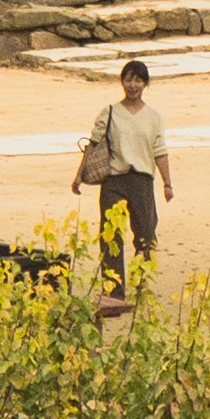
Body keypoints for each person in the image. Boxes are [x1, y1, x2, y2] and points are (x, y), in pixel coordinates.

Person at [75, 57, 172, 295]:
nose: (133, 84)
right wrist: (78, 175)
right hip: (114, 180)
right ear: (122, 82)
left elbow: (160, 151)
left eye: (138, 80)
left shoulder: (154, 117)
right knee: (110, 236)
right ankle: (114, 291)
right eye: (129, 79)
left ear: (145, 84)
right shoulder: (110, 112)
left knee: (146, 234)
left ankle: (142, 285)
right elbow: (93, 144)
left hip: (142, 180)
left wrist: (167, 183)